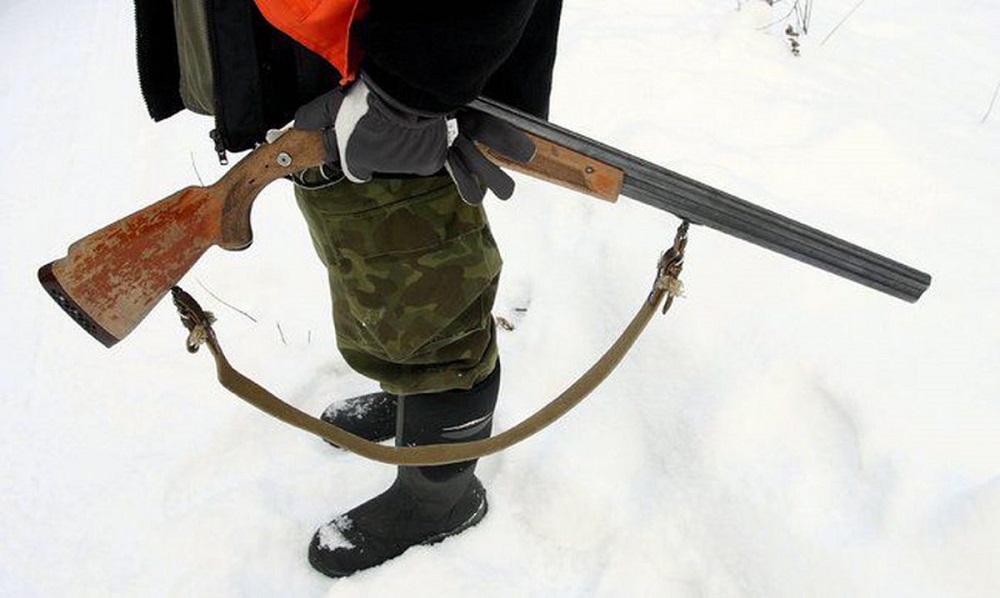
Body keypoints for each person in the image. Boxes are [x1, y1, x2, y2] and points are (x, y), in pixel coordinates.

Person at [134, 0, 562, 578]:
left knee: (436, 319)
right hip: (334, 84)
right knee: (371, 274)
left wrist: (406, 96)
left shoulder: (403, 92)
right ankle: (416, 401)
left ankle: (441, 499)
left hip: (398, 86)